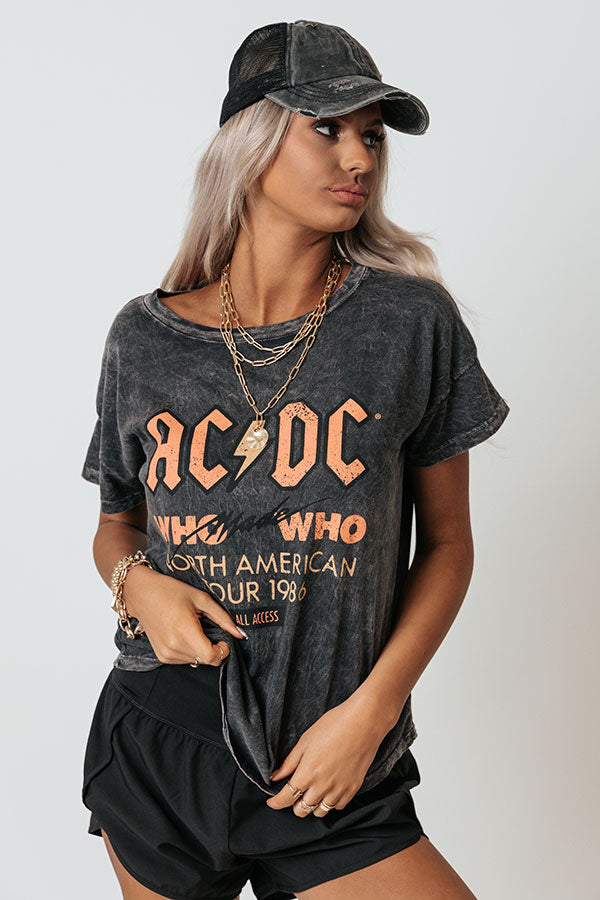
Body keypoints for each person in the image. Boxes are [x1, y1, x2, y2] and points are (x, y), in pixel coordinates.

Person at [80, 19, 509, 900]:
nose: (358, 158)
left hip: (332, 759)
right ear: (250, 140)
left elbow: (449, 544)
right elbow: (117, 523)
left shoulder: (408, 324)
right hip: (162, 738)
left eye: (372, 136)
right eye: (327, 127)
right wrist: (138, 586)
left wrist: (372, 714)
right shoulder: (145, 339)